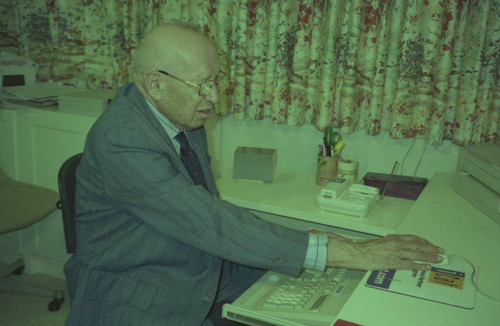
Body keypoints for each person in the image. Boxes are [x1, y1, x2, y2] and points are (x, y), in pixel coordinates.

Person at [64, 23, 444, 326]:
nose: (214, 97)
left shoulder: (179, 114)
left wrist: (319, 244)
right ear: (156, 84)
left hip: (200, 261)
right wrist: (346, 252)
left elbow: (207, 212)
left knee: (338, 293)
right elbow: (209, 223)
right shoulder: (121, 139)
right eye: (203, 86)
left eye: (216, 81)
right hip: (139, 291)